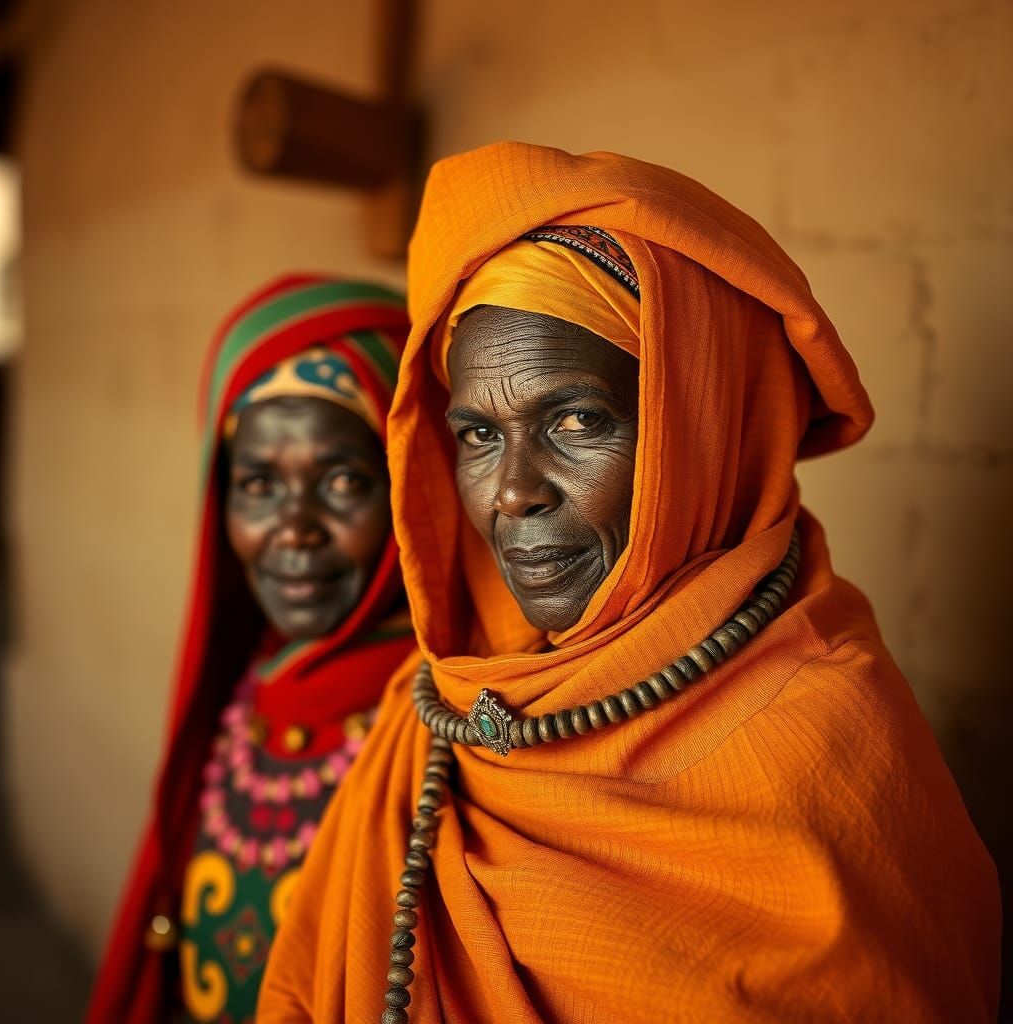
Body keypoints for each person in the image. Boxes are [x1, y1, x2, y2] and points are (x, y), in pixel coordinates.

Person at [258, 145, 1001, 1023]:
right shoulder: (438, 708)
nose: (511, 493)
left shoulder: (832, 760)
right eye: (479, 435)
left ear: (704, 430)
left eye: (578, 419)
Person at [87, 275, 414, 1023]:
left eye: (343, 480)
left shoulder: (456, 725)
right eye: (260, 484)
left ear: (410, 482)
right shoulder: (251, 690)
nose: (294, 530)